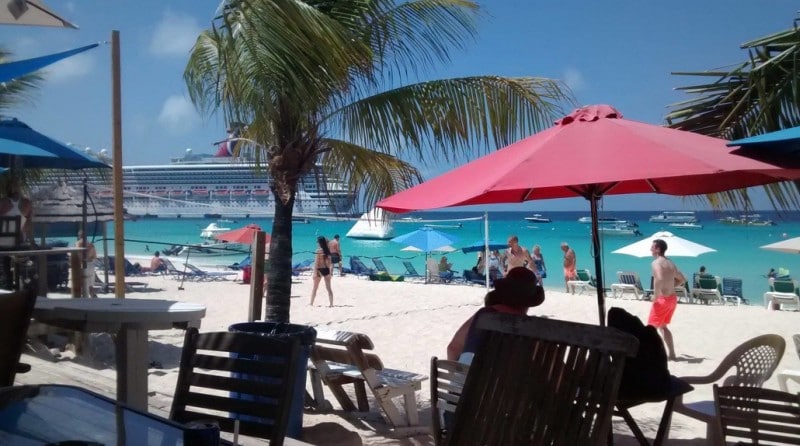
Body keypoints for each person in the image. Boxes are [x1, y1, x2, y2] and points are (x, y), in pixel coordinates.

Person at [447, 267, 545, 363]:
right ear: (530, 301)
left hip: (469, 377)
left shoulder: (484, 315)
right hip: (511, 378)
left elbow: (453, 349)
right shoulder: (533, 327)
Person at [649, 238, 686, 361]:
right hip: (672, 299)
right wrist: (671, 286)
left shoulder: (656, 263)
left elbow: (659, 278)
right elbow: (682, 279)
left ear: (658, 249)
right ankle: (672, 354)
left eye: (652, 247)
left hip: (662, 299)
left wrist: (655, 295)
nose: (650, 249)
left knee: (650, 330)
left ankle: (655, 356)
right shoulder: (670, 263)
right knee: (663, 327)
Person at [311, 236, 334, 307]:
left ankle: (311, 303)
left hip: (319, 270)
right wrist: (330, 272)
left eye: (318, 242)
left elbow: (316, 263)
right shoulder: (328, 251)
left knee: (315, 288)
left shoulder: (318, 251)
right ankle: (331, 304)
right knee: (329, 288)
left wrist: (314, 273)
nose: (317, 243)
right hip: (326, 270)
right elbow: (330, 263)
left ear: (320, 243)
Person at [76, 231, 98, 297]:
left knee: (84, 282)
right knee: (90, 283)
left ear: (79, 236)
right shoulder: (91, 244)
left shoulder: (79, 243)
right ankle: (93, 295)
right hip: (91, 264)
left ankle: (85, 296)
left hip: (84, 264)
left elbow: (78, 255)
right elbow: (95, 256)